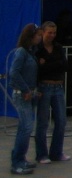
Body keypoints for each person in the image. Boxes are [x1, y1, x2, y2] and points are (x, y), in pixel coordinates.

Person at [34, 21, 70, 164]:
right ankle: (41, 154)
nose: (52, 35)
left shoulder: (58, 47)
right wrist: (53, 66)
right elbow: (37, 68)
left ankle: (56, 152)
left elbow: (65, 65)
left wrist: (47, 64)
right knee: (42, 122)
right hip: (44, 86)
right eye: (49, 32)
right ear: (43, 32)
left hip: (58, 86)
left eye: (54, 33)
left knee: (61, 120)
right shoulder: (38, 49)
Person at [9, 24, 42, 175]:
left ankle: (20, 157)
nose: (39, 38)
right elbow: (14, 72)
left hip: (30, 93)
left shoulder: (31, 53)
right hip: (22, 94)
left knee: (26, 127)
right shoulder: (21, 52)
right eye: (38, 35)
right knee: (25, 127)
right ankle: (16, 161)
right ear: (30, 36)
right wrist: (25, 89)